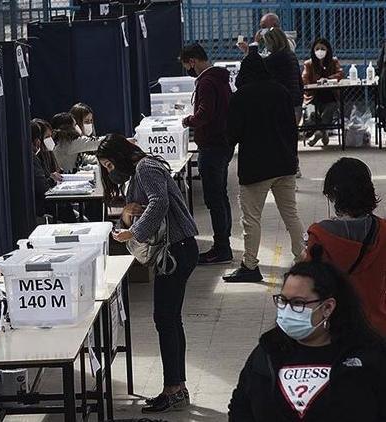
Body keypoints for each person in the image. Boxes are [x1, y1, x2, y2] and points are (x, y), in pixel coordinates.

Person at [97, 134, 199, 413]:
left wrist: (133, 231)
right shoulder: (142, 170)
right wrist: (128, 216)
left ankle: (173, 389)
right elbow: (145, 207)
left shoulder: (146, 167)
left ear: (118, 156)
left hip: (177, 250)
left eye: (108, 165)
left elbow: (159, 203)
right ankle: (177, 387)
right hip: (177, 249)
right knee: (169, 319)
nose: (109, 171)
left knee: (165, 319)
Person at [228, 248, 386, 421]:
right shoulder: (267, 352)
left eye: (298, 303)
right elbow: (241, 407)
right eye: (283, 301)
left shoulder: (368, 356)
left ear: (327, 307)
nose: (287, 310)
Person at [223, 51, 305, 283]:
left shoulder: (241, 97)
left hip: (256, 168)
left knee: (251, 219)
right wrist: (293, 159)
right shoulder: (282, 92)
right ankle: (303, 259)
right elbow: (292, 129)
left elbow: (232, 134)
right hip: (284, 164)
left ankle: (250, 265)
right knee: (291, 215)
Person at [306, 158, 386, 336]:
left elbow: (310, 285)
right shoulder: (383, 230)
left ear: (335, 194)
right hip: (378, 327)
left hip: (337, 328)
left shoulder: (320, 235)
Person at [180, 43, 233, 265]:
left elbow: (204, 114)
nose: (188, 71)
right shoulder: (220, 79)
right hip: (224, 143)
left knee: (214, 199)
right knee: (221, 196)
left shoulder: (207, 82)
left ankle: (221, 248)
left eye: (187, 66)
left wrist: (187, 120)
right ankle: (224, 243)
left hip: (211, 146)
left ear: (193, 61)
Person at [302, 37, 344, 146]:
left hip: (330, 95)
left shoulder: (333, 61)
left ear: (328, 50)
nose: (320, 51)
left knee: (329, 110)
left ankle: (320, 132)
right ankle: (322, 132)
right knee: (310, 113)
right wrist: (315, 82)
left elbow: (340, 74)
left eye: (322, 48)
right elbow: (304, 79)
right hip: (313, 96)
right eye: (317, 49)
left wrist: (328, 79)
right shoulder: (308, 64)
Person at [31, 119, 63, 218]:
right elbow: (43, 187)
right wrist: (52, 179)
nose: (50, 140)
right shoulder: (34, 157)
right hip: (44, 210)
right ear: (38, 140)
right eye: (46, 137)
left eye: (51, 136)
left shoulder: (48, 154)